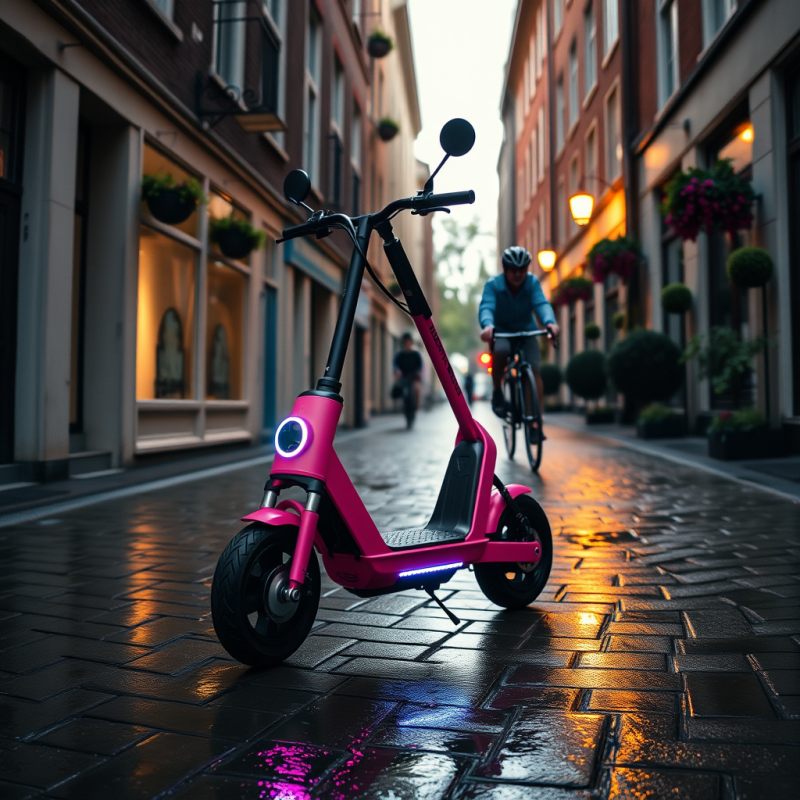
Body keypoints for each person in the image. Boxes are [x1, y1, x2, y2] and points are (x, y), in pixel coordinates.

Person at [478, 246, 560, 431]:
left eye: (522, 270)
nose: (518, 275)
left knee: (533, 370)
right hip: (502, 332)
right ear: (505, 270)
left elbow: (541, 303)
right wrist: (488, 326)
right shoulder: (493, 286)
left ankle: (535, 420)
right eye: (513, 270)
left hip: (527, 331)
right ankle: (498, 391)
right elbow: (487, 307)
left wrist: (550, 322)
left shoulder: (532, 283)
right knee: (500, 350)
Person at [393, 332, 423, 410]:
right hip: (404, 376)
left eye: (409, 342)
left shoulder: (416, 354)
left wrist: (419, 371)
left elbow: (420, 365)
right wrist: (397, 370)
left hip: (414, 376)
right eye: (406, 342)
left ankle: (417, 406)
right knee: (398, 388)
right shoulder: (400, 354)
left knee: (416, 388)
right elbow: (395, 364)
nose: (407, 344)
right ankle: (399, 406)